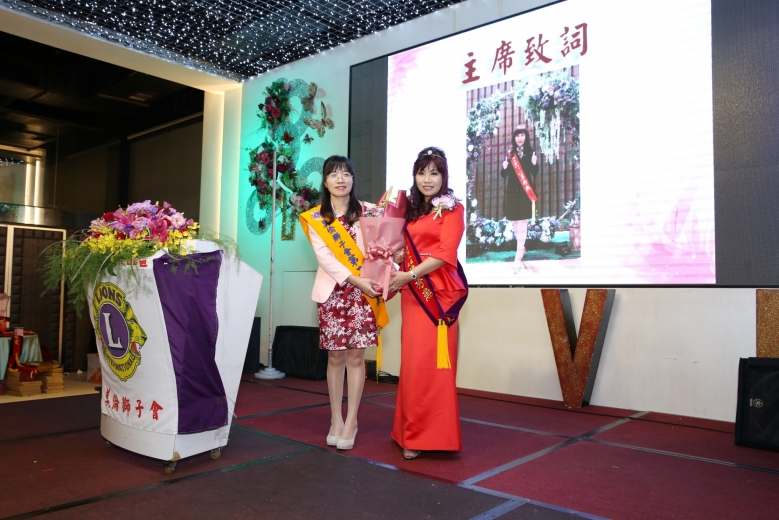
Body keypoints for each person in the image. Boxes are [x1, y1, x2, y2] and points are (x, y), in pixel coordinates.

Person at [299, 155, 388, 451]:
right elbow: (325, 258)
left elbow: (383, 249)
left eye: (346, 173)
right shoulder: (316, 218)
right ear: (325, 182)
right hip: (333, 293)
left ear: (353, 179)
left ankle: (352, 421)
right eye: (334, 174)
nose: (340, 179)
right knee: (335, 358)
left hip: (363, 295)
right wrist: (356, 280)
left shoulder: (370, 211)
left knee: (357, 358)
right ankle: (335, 419)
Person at [388, 147, 468, 460]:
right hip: (413, 295)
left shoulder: (453, 209)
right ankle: (411, 434)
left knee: (436, 368)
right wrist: (396, 256)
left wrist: (410, 274)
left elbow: (446, 253)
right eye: (422, 172)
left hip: (438, 296)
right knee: (414, 366)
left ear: (444, 176)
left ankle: (437, 435)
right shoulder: (411, 209)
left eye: (434, 172)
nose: (427, 179)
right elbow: (405, 247)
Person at [500, 125, 539, 273]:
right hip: (512, 191)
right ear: (514, 138)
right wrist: (504, 167)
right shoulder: (510, 153)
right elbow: (504, 174)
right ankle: (521, 247)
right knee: (516, 221)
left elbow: (534, 172)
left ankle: (518, 255)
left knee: (522, 221)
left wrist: (534, 164)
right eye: (517, 135)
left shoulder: (530, 151)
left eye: (522, 135)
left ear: (526, 137)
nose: (520, 138)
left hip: (524, 191)